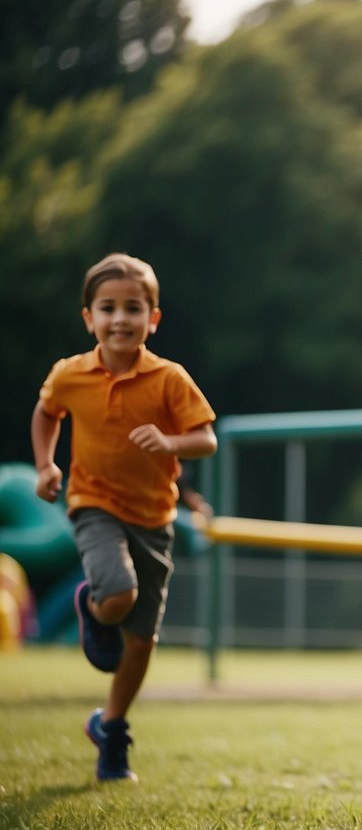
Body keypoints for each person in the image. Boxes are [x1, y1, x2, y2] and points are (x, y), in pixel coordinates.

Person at [30, 252, 218, 782]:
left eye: (133, 308)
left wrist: (169, 441)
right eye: (107, 308)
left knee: (141, 641)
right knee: (117, 595)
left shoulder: (169, 379)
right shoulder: (71, 374)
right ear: (88, 317)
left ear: (152, 319)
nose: (120, 319)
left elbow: (206, 439)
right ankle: (96, 608)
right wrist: (46, 465)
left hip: (155, 517)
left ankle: (110, 728)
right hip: (93, 504)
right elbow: (47, 412)